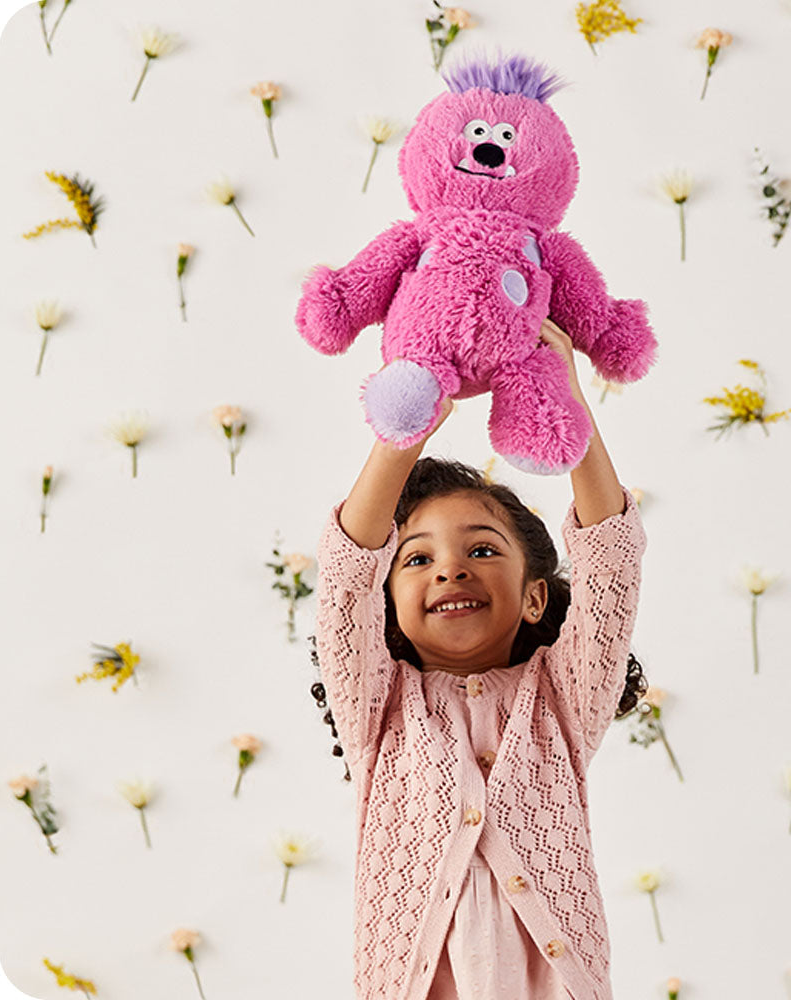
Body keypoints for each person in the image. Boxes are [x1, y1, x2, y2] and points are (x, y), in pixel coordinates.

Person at [313, 317, 647, 1000]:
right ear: (387, 605)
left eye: (483, 550)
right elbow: (346, 575)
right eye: (417, 558)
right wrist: (405, 426)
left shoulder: (561, 699)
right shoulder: (380, 712)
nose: (450, 571)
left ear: (532, 599)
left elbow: (611, 561)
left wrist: (568, 405)